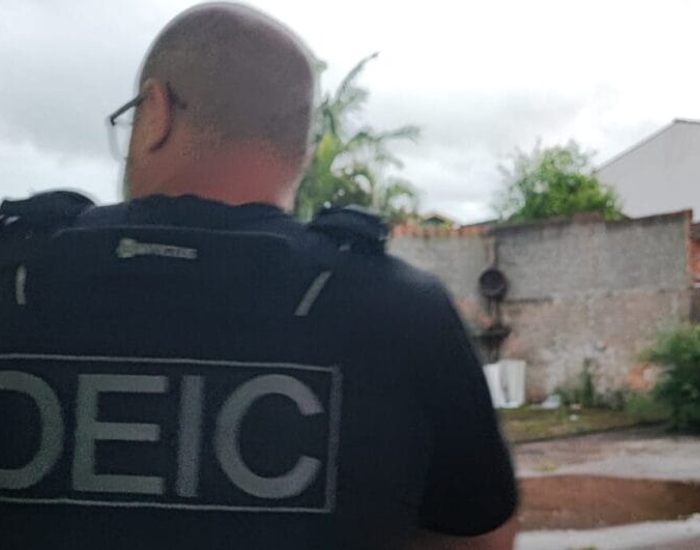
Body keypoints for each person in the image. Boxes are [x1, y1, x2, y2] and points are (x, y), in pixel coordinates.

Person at [0, 3, 518, 549]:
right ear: (301, 150)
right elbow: (482, 539)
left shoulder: (15, 276)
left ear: (156, 110)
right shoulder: (404, 311)